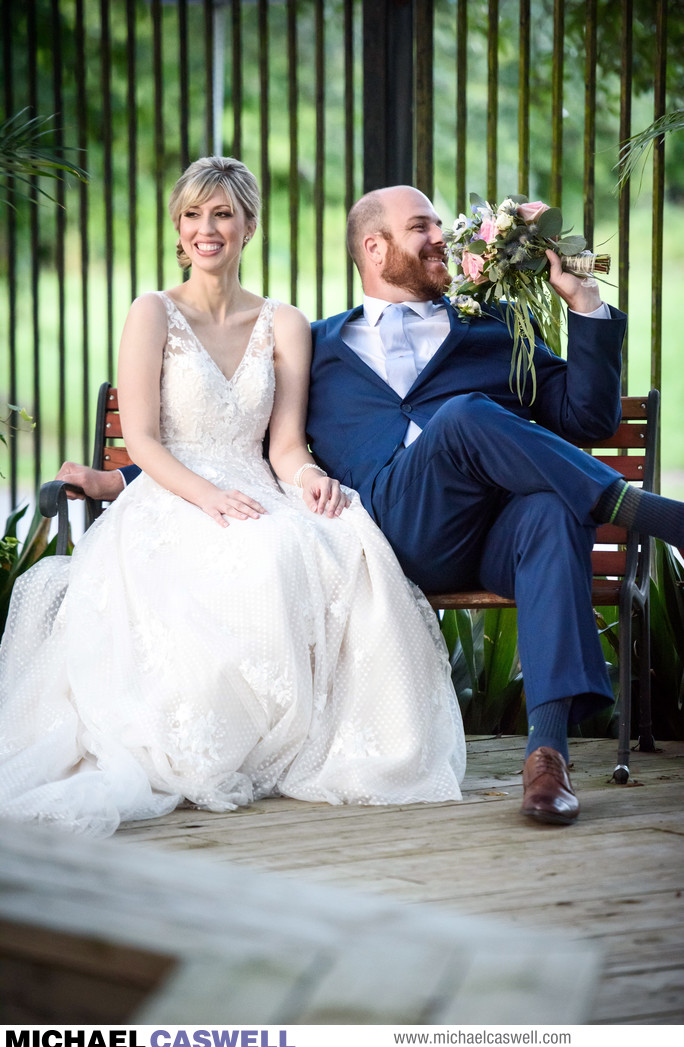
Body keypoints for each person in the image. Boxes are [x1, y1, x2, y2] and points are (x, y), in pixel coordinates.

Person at [52, 184, 684, 827]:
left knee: (550, 511)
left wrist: (585, 304)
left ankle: (546, 755)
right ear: (375, 247)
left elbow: (589, 417)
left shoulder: (495, 331)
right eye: (423, 227)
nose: (442, 238)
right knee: (464, 416)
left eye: (441, 225)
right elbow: (236, 439)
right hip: (388, 532)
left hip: (495, 534)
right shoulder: (318, 345)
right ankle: (662, 519)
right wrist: (120, 479)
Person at [0, 162, 465, 838]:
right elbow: (145, 442)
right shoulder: (151, 312)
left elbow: (284, 447)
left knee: (329, 540)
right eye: (192, 215)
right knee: (237, 555)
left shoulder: (285, 323)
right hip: (172, 492)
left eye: (221, 214)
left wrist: (308, 480)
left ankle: (313, 742)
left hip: (257, 484)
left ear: (249, 224)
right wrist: (208, 497)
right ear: (178, 230)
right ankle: (203, 745)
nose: (206, 229)